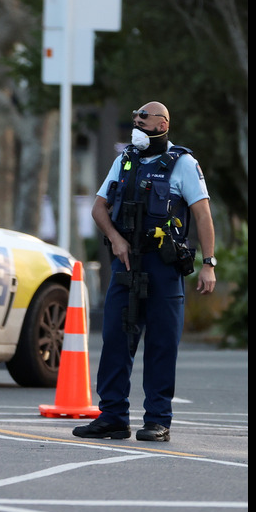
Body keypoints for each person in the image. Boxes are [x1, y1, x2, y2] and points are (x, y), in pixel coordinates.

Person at [74, 101, 216, 441]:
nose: (136, 123)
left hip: (164, 266)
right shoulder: (125, 160)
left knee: (161, 343)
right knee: (115, 340)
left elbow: (202, 215)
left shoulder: (183, 163)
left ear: (162, 123)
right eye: (134, 117)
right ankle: (112, 417)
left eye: (143, 118)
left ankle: (157, 420)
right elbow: (99, 208)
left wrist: (209, 264)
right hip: (126, 262)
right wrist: (115, 239)